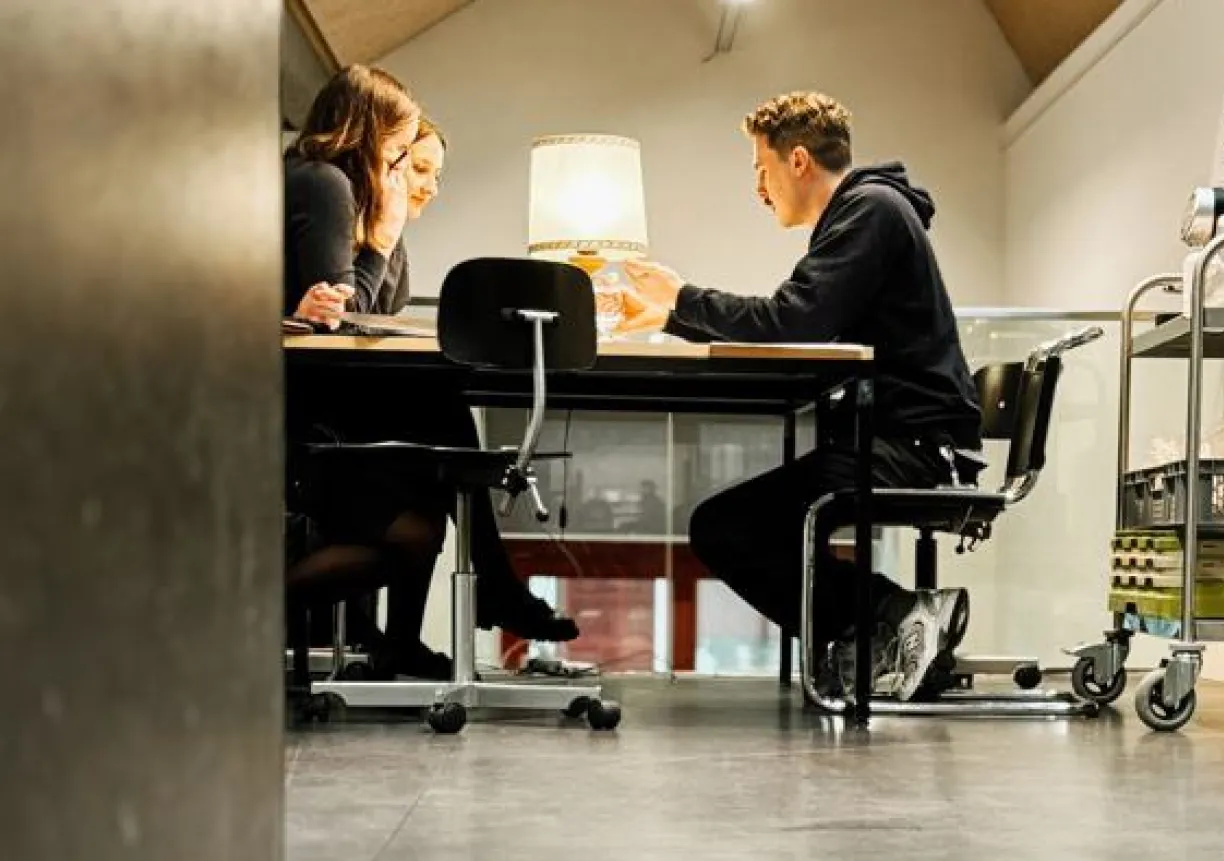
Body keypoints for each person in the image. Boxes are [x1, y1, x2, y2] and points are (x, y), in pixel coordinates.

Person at [620, 92, 978, 700]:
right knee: (739, 525)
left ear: (799, 160)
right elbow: (799, 323)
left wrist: (681, 299)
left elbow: (793, 320)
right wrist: (672, 316)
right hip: (905, 436)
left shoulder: (870, 210)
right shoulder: (864, 213)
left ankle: (890, 615)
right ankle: (880, 625)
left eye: (761, 168)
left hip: (913, 446)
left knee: (725, 528)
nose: (759, 189)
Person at [284, 72, 577, 680]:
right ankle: (492, 585)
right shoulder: (325, 184)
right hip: (311, 419)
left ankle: (412, 638)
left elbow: (366, 322)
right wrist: (382, 241)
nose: (402, 171)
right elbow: (347, 323)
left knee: (424, 510)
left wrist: (384, 242)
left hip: (335, 404)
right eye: (400, 151)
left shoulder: (358, 210)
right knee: (440, 409)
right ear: (369, 136)